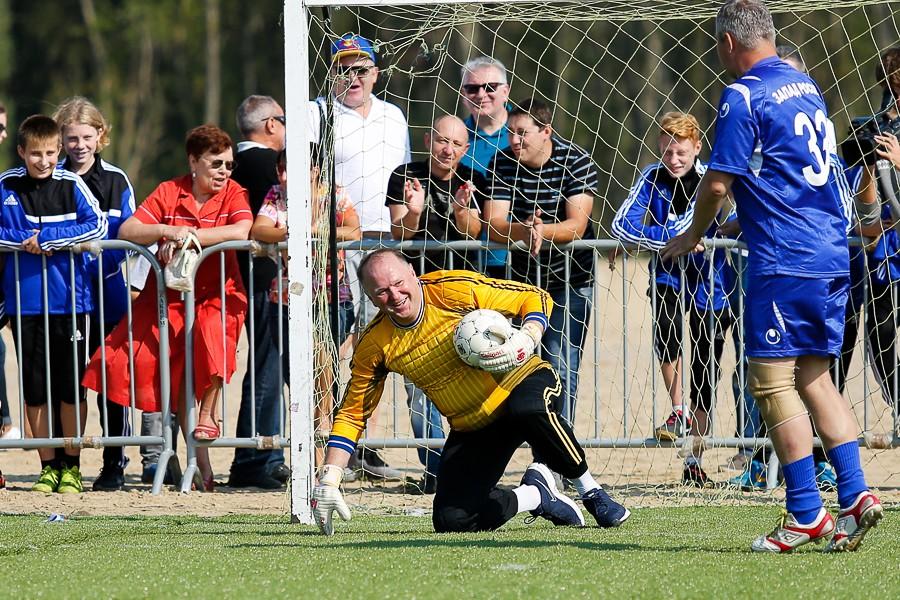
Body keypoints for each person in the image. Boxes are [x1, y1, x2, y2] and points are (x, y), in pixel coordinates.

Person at [662, 0, 883, 552]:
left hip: (785, 258)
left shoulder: (743, 94)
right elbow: (792, 176)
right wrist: (745, 219)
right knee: (815, 377)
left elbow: (717, 183)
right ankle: (856, 495)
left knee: (770, 381)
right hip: (829, 251)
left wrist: (692, 235)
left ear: (728, 43)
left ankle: (805, 512)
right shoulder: (806, 86)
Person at [310, 249, 630, 535]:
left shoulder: (451, 289)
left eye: (398, 283)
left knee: (528, 409)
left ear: (412, 272)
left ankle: (591, 492)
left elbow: (535, 297)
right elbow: (352, 413)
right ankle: (536, 495)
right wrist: (330, 477)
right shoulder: (375, 344)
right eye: (382, 291)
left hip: (523, 382)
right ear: (369, 296)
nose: (394, 295)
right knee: (451, 520)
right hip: (473, 424)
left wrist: (528, 336)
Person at [83, 124, 252, 492]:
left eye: (229, 165)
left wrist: (190, 236)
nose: (225, 171)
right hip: (169, 296)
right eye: (216, 163)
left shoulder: (234, 193)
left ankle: (207, 416)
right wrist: (165, 230)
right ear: (193, 161)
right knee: (129, 362)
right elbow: (129, 230)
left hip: (220, 294)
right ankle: (193, 462)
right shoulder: (169, 190)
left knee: (212, 337)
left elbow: (242, 230)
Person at [611, 111, 735, 487]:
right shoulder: (652, 177)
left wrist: (703, 236)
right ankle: (678, 410)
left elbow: (731, 217)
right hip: (667, 275)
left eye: (681, 152)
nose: (674, 160)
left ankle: (695, 459)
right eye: (667, 152)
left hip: (711, 284)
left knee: (705, 366)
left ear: (697, 147)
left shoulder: (715, 178)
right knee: (666, 337)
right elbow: (622, 224)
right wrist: (673, 240)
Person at [307, 33, 410, 478]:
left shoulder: (394, 115)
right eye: (343, 69)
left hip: (384, 242)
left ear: (376, 73)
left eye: (361, 69)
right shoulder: (317, 113)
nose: (353, 77)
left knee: (375, 345)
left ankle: (360, 442)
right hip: (336, 243)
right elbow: (306, 175)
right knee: (330, 347)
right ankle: (324, 440)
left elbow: (404, 176)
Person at [0, 114, 106, 494]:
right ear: (21, 152)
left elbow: (97, 225)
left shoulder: (72, 183)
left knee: (70, 389)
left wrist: (48, 237)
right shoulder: (6, 185)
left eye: (49, 153)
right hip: (25, 305)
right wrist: (23, 240)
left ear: (58, 151)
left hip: (71, 303)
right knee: (34, 390)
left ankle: (71, 466)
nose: (42, 161)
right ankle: (48, 467)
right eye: (35, 154)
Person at [482, 98, 598, 428]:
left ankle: (559, 442)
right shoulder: (502, 161)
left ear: (546, 131)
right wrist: (523, 230)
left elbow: (576, 226)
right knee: (520, 363)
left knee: (562, 362)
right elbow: (493, 223)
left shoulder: (576, 160)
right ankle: (533, 437)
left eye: (522, 133)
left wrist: (541, 231)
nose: (514, 140)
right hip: (522, 281)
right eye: (510, 132)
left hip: (571, 280)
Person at [386, 114, 485, 492]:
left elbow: (473, 232)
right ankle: (436, 469)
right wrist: (414, 211)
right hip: (414, 295)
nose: (448, 150)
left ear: (466, 148)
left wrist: (461, 209)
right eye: (442, 140)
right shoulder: (405, 175)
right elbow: (399, 232)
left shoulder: (473, 178)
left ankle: (465, 466)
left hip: (460, 293)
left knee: (466, 380)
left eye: (457, 144)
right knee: (418, 383)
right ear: (428, 140)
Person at [251, 144, 361, 469]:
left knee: (324, 369)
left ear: (314, 170)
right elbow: (258, 228)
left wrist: (313, 232)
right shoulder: (276, 195)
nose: (285, 176)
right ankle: (313, 453)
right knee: (297, 377)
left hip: (331, 294)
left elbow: (354, 230)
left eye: (293, 169)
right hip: (287, 296)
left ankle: (321, 454)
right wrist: (289, 232)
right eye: (281, 169)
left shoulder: (334, 194)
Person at [52, 96, 136, 492]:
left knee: (111, 382)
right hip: (64, 296)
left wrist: (121, 279)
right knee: (68, 382)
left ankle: (114, 462)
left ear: (100, 135)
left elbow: (131, 236)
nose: (79, 145)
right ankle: (66, 463)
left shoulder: (117, 180)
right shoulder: (51, 178)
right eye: (72, 138)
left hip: (108, 295)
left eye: (87, 137)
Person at [229, 94, 290, 490]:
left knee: (270, 363)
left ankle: (265, 454)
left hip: (247, 275)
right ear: (271, 124)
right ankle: (255, 458)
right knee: (268, 364)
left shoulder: (234, 162)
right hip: (264, 277)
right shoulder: (265, 163)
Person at [853, 47, 900, 412]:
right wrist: (870, 165)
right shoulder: (884, 129)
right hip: (887, 253)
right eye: (889, 93)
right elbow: (866, 215)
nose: (891, 109)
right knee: (880, 336)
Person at [458, 56, 512, 278]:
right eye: (472, 88)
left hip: (524, 258)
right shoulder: (453, 139)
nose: (481, 95)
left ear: (505, 91)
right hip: (467, 260)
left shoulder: (528, 132)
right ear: (463, 94)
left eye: (490, 87)